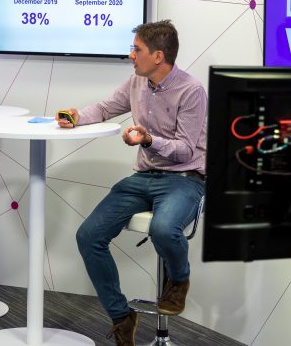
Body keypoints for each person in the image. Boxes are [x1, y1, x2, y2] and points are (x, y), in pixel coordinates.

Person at [56, 20, 206, 346]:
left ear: (158, 56)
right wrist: (77, 116)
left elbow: (184, 150)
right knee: (89, 236)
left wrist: (149, 140)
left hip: (184, 178)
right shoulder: (137, 82)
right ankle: (122, 317)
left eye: (136, 49)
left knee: (164, 230)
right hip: (144, 178)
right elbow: (108, 107)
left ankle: (178, 281)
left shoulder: (192, 91)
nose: (131, 55)